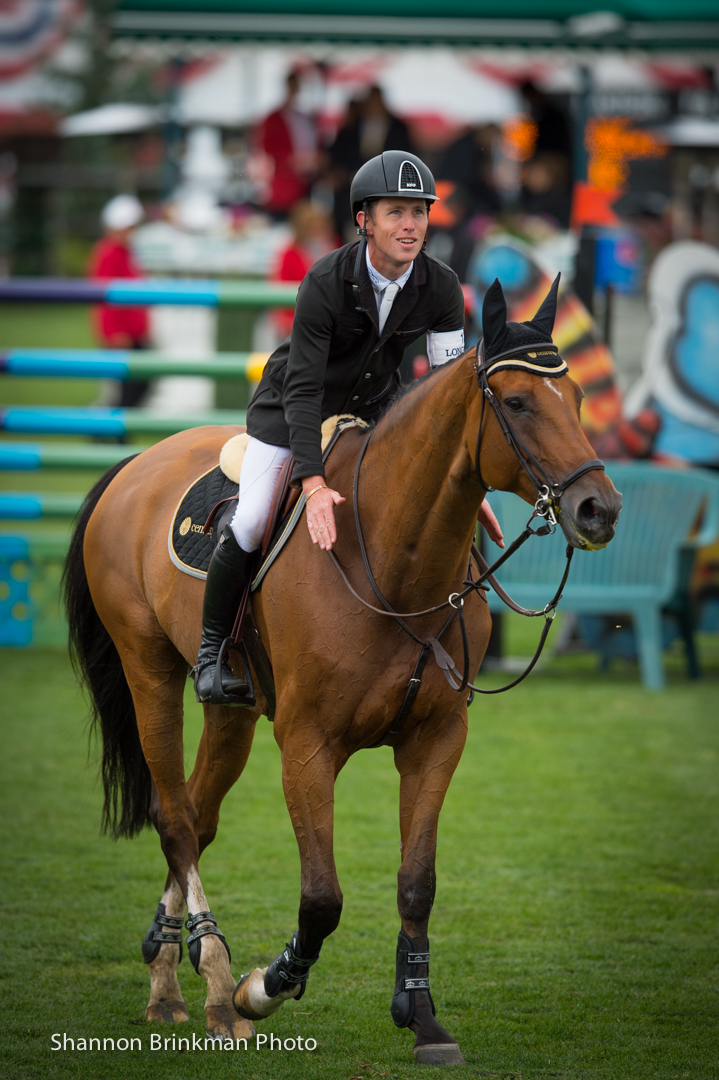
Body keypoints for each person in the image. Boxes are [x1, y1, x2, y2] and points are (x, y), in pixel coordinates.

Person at [192, 150, 504, 706]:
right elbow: (305, 390)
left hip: (373, 412)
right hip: (291, 411)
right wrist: (312, 486)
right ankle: (213, 652)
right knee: (254, 517)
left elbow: (448, 393)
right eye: (395, 213)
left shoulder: (441, 286)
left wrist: (462, 479)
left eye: (419, 212)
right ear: (364, 219)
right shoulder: (326, 281)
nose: (410, 226)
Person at [89, 194, 150, 407]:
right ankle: (109, 430)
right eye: (130, 227)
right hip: (122, 335)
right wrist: (115, 333)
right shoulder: (109, 254)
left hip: (134, 333)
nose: (134, 232)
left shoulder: (126, 252)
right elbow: (104, 298)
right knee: (127, 387)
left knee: (137, 384)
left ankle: (110, 430)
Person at [327, 86, 413, 240]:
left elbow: (404, 160)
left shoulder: (399, 129)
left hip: (386, 197)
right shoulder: (352, 127)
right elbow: (336, 157)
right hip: (353, 200)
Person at [270, 201, 339, 339]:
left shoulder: (335, 247)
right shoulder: (289, 253)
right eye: (312, 226)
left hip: (330, 321)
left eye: (321, 225)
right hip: (295, 321)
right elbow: (280, 289)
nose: (318, 230)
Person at [257, 70, 318, 217]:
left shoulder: (304, 117)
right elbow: (267, 147)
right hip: (284, 186)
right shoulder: (275, 118)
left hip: (305, 183)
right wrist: (292, 161)